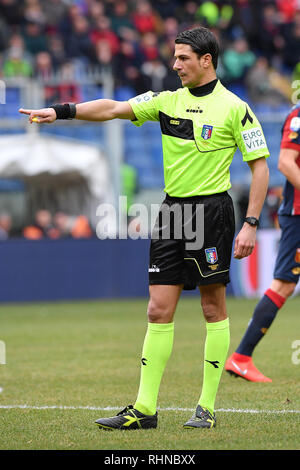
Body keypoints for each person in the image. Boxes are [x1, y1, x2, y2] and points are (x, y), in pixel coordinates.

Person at [19, 26, 270, 430]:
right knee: (157, 309)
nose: (175, 65)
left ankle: (205, 407)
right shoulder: (165, 101)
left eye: (183, 58)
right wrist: (62, 111)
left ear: (206, 60)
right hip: (172, 214)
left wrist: (251, 224)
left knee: (212, 307)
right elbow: (113, 108)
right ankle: (144, 408)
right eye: (175, 57)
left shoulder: (235, 108)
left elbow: (260, 167)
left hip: (213, 214)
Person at [225, 102, 300, 383]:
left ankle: (242, 357)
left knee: (286, 284)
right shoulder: (298, 115)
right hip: (298, 213)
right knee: (284, 283)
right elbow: (285, 162)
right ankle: (242, 357)